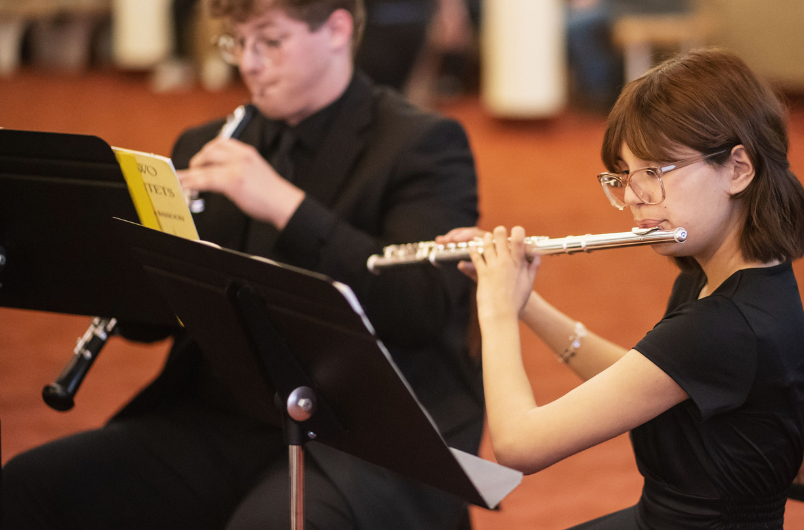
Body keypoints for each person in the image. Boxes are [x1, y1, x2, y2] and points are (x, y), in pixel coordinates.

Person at [2, 1, 482, 529]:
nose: (249, 63)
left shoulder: (421, 145)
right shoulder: (207, 144)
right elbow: (151, 325)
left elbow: (421, 307)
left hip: (355, 441)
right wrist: (140, 260)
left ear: (337, 30)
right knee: (29, 487)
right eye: (238, 42)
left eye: (270, 42)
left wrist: (284, 206)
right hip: (218, 418)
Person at [441, 48, 804, 529]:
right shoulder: (717, 281)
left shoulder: (726, 325)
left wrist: (494, 311)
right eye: (624, 174)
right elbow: (648, 380)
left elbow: (519, 446)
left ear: (739, 169)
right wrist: (523, 300)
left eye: (655, 172)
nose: (634, 196)